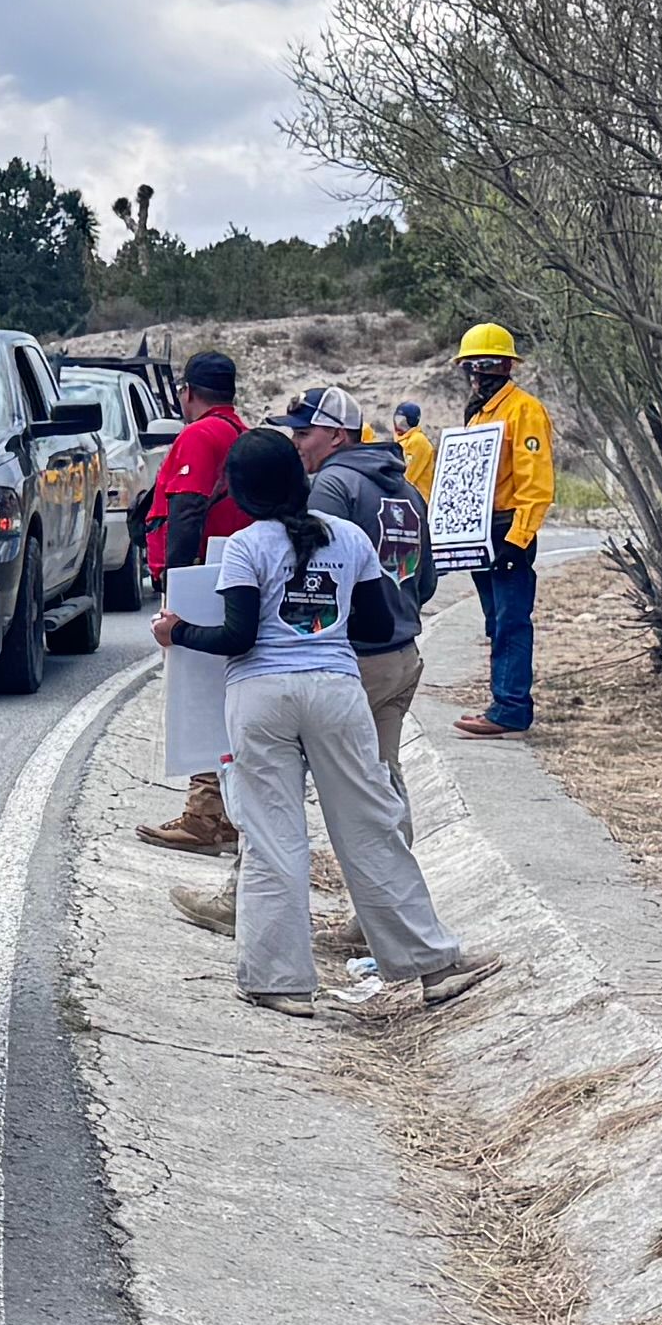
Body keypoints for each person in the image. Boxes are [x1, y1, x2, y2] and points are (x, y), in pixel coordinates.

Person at [165, 435, 496, 1022]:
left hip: (261, 699)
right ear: (300, 478)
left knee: (272, 837)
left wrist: (178, 632)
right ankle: (433, 965)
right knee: (370, 828)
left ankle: (280, 982)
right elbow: (375, 623)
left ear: (241, 492)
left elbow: (238, 637)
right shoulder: (348, 538)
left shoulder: (246, 546)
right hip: (337, 693)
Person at [407, 321, 556, 738]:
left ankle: (510, 709)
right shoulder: (477, 415)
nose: (479, 373)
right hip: (479, 531)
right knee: (495, 621)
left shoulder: (524, 410)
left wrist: (518, 540)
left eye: (488, 364)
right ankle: (503, 701)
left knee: (511, 620)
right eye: (472, 365)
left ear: (507, 366)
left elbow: (536, 484)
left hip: (508, 532)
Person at [133, 350, 252, 855]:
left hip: (203, 577)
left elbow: (186, 509)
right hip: (230, 573)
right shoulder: (239, 433)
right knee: (218, 694)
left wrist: (176, 586)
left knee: (199, 695)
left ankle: (205, 816)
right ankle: (222, 810)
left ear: (187, 393)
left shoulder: (200, 435)